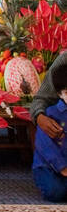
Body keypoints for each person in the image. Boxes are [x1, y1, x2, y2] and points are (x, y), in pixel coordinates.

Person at [31, 59, 67, 202]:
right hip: (52, 164)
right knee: (55, 191)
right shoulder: (64, 60)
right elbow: (40, 100)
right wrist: (40, 117)